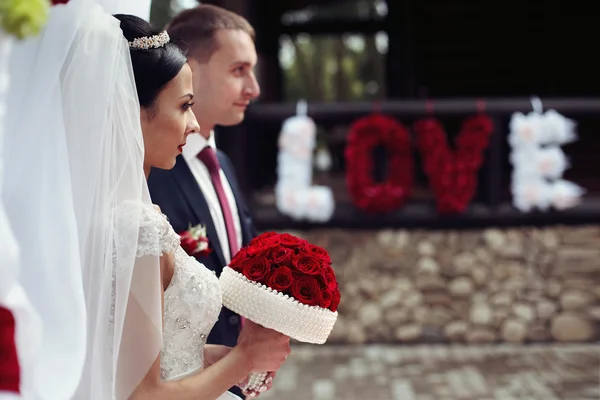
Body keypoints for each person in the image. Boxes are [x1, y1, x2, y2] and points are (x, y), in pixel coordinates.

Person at [11, 2, 289, 399]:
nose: (193, 125)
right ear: (131, 112)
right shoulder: (135, 226)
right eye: (183, 106)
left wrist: (210, 359)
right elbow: (143, 395)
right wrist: (243, 359)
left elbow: (124, 356)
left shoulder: (94, 214)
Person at [147, 7, 261, 398]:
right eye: (238, 70)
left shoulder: (223, 164)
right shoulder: (150, 174)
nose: (254, 88)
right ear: (191, 66)